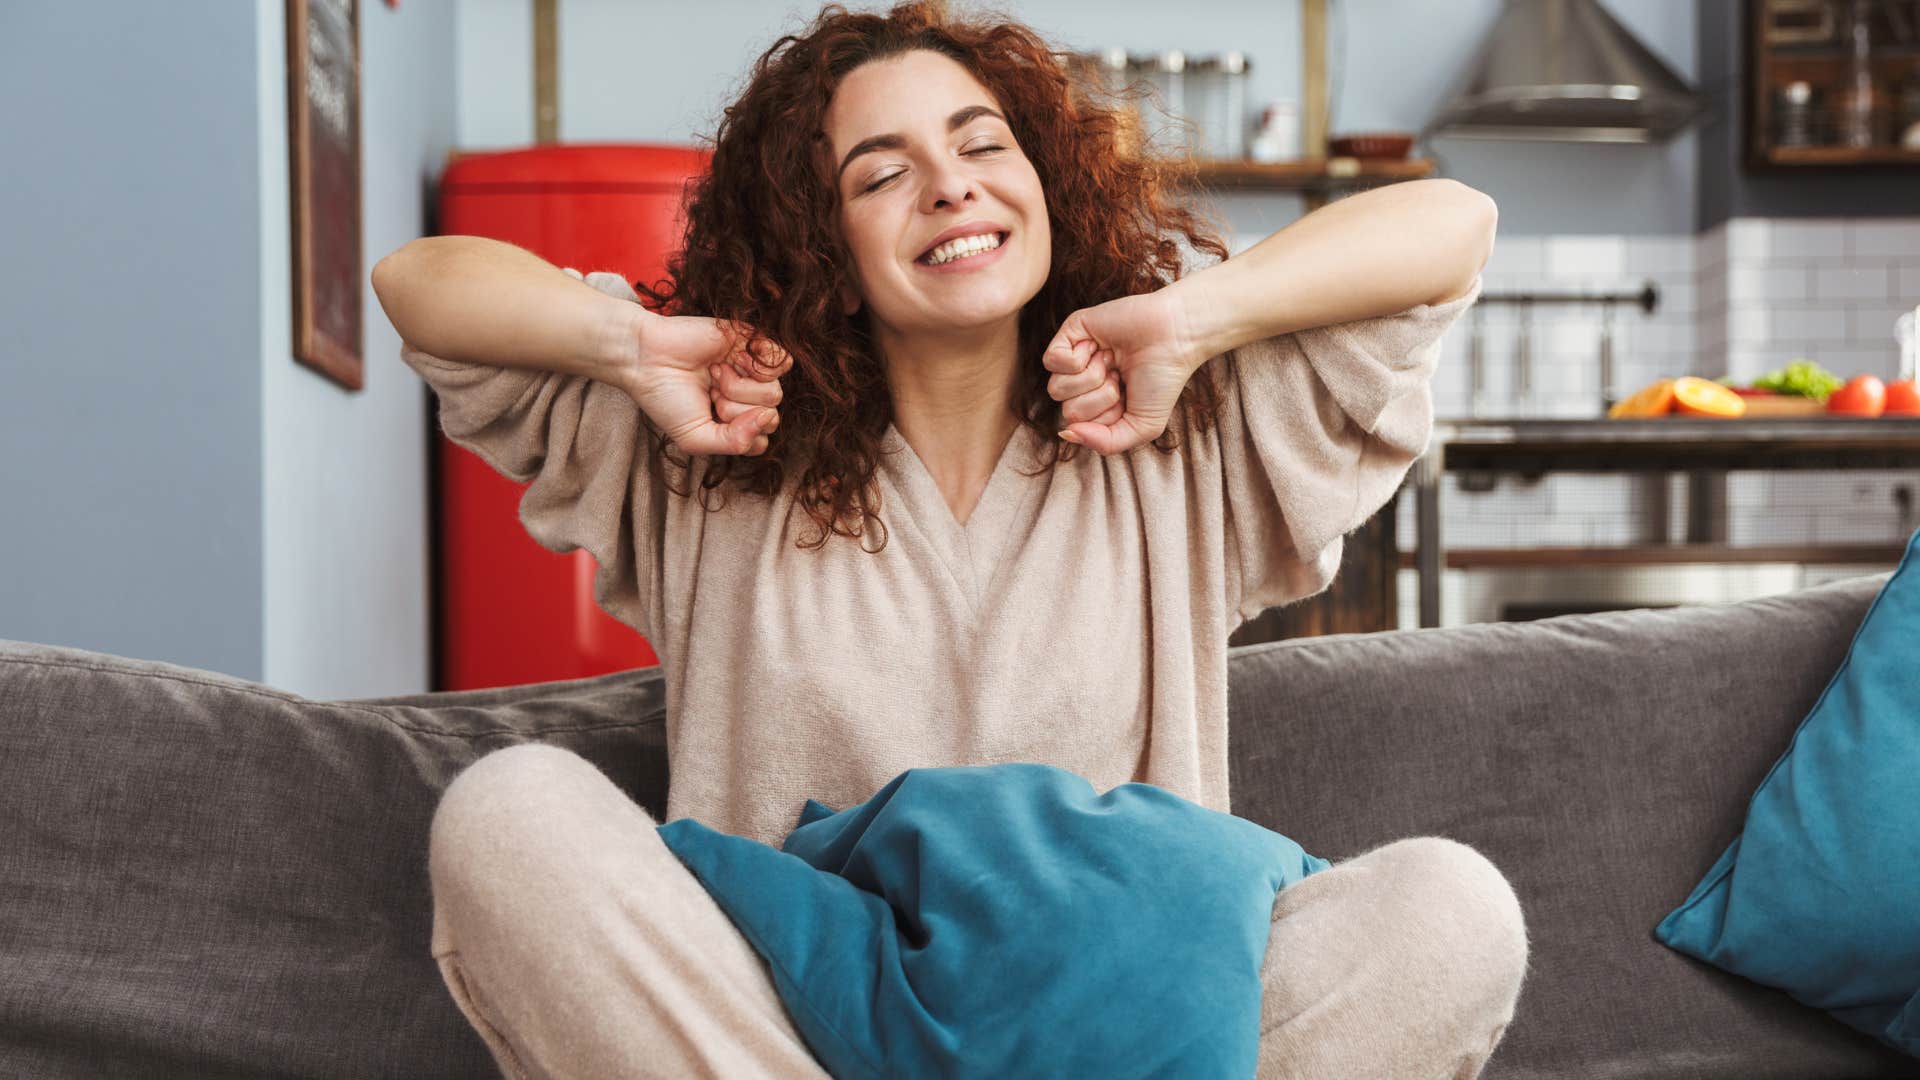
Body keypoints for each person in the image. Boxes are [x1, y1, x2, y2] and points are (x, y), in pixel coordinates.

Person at [372, 2, 1526, 1077]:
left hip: (1124, 1030)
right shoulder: (710, 447)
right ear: (816, 238)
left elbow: (1452, 225)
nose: (950, 189)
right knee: (509, 812)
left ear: (1044, 180)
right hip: (783, 1030)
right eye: (882, 174)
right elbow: (421, 285)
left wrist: (1194, 314)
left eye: (984, 147)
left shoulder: (1187, 437)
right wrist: (627, 345)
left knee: (1450, 909)